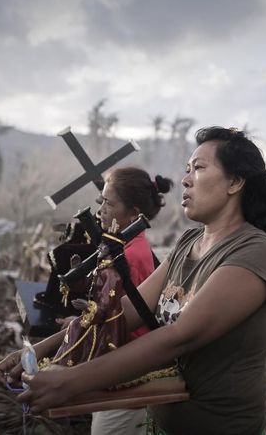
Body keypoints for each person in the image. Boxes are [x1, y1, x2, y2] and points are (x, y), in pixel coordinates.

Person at [0, 126, 266, 435]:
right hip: (162, 421)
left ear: (235, 181)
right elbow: (125, 312)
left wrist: (72, 381)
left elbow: (180, 336)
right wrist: (41, 349)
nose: (185, 179)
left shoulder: (254, 251)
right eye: (187, 169)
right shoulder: (188, 242)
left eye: (199, 168)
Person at [46, 166, 175, 435]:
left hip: (128, 367)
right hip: (118, 362)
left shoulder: (131, 256)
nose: (100, 210)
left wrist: (82, 321)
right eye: (100, 201)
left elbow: (121, 316)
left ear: (133, 214)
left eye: (108, 202)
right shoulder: (124, 247)